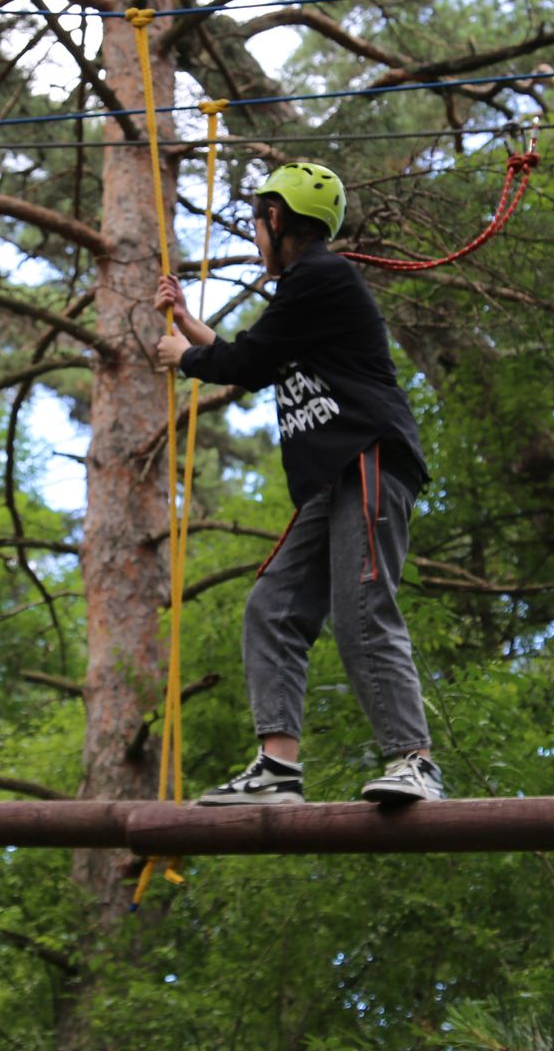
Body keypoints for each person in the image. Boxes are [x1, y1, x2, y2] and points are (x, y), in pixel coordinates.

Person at [153, 161, 446, 806]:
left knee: (361, 607)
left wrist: (185, 357)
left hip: (366, 456)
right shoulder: (308, 293)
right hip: (334, 477)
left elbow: (245, 359)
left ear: (276, 217)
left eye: (257, 225)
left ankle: (415, 760)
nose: (256, 238)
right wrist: (188, 328)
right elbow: (252, 360)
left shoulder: (320, 277)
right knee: (274, 607)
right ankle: (277, 768)